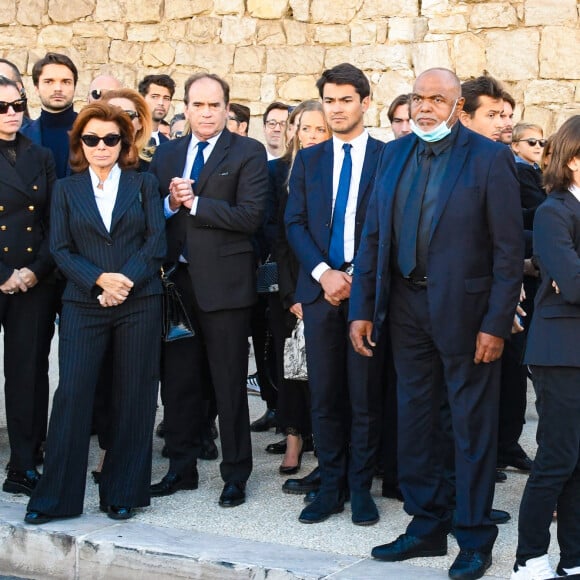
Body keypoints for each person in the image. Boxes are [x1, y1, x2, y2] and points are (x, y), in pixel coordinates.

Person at [349, 68, 523, 579]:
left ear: (457, 107)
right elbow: (373, 238)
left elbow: (509, 252)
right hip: (403, 309)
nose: (424, 107)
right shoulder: (394, 153)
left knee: (470, 427)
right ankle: (426, 527)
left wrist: (496, 323)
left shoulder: (490, 159)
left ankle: (472, 536)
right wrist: (362, 308)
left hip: (469, 317)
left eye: (436, 99)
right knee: (416, 421)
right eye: (418, 97)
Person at [24, 102, 166, 524]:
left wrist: (122, 282)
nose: (100, 146)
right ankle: (55, 500)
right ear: (79, 143)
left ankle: (122, 492)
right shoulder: (67, 190)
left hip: (139, 302)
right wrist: (100, 282)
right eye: (91, 139)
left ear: (123, 143)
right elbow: (60, 249)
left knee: (135, 396)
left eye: (110, 139)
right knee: (72, 396)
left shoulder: (144, 184)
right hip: (83, 305)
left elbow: (155, 241)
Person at [149, 72, 268, 508]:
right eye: (197, 105)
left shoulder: (248, 152)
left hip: (226, 290)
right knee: (178, 385)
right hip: (176, 287)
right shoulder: (169, 154)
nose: (205, 112)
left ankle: (235, 474)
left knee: (228, 384)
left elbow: (250, 216)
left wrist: (196, 202)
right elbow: (152, 211)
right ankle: (180, 469)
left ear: (225, 107)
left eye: (213, 105)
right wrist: (170, 203)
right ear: (186, 107)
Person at [285, 63, 385, 526]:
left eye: (347, 99)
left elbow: (392, 230)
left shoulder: (390, 157)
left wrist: (358, 279)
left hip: (368, 295)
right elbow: (295, 223)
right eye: (330, 100)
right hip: (321, 292)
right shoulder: (309, 160)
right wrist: (324, 274)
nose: (337, 108)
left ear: (366, 103)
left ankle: (361, 488)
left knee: (363, 397)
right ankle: (330, 486)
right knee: (324, 396)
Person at [510, 115, 580, 580]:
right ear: (574, 160)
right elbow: (572, 284)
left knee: (578, 460)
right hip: (559, 351)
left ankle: (573, 558)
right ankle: (529, 557)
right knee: (556, 457)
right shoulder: (555, 210)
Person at [267, 100, 331, 475]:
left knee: (325, 370)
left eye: (319, 129)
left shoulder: (336, 169)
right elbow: (277, 238)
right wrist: (291, 294)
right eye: (305, 128)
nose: (311, 136)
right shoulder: (278, 173)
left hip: (329, 284)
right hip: (289, 286)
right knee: (290, 366)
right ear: (293, 130)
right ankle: (293, 439)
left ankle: (326, 441)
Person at [0, 77, 56, 496]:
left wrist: (35, 269)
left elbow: (54, 221)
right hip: (1, 275)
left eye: (17, 104)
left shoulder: (41, 154)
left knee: (28, 374)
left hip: (32, 281)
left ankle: (23, 462)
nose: (11, 113)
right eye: (2, 107)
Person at [21, 52, 78, 179]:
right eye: (49, 82)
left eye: (66, 82)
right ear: (36, 88)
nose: (58, 88)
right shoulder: (22, 137)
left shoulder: (92, 132)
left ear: (74, 87)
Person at [103, 88, 154, 171]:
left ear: (140, 122)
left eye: (128, 115)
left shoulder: (152, 169)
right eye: (111, 115)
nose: (121, 122)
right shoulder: (83, 166)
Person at [138, 74, 175, 146]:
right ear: (142, 99)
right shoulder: (130, 137)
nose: (161, 103)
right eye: (154, 97)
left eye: (166, 98)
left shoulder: (168, 145)